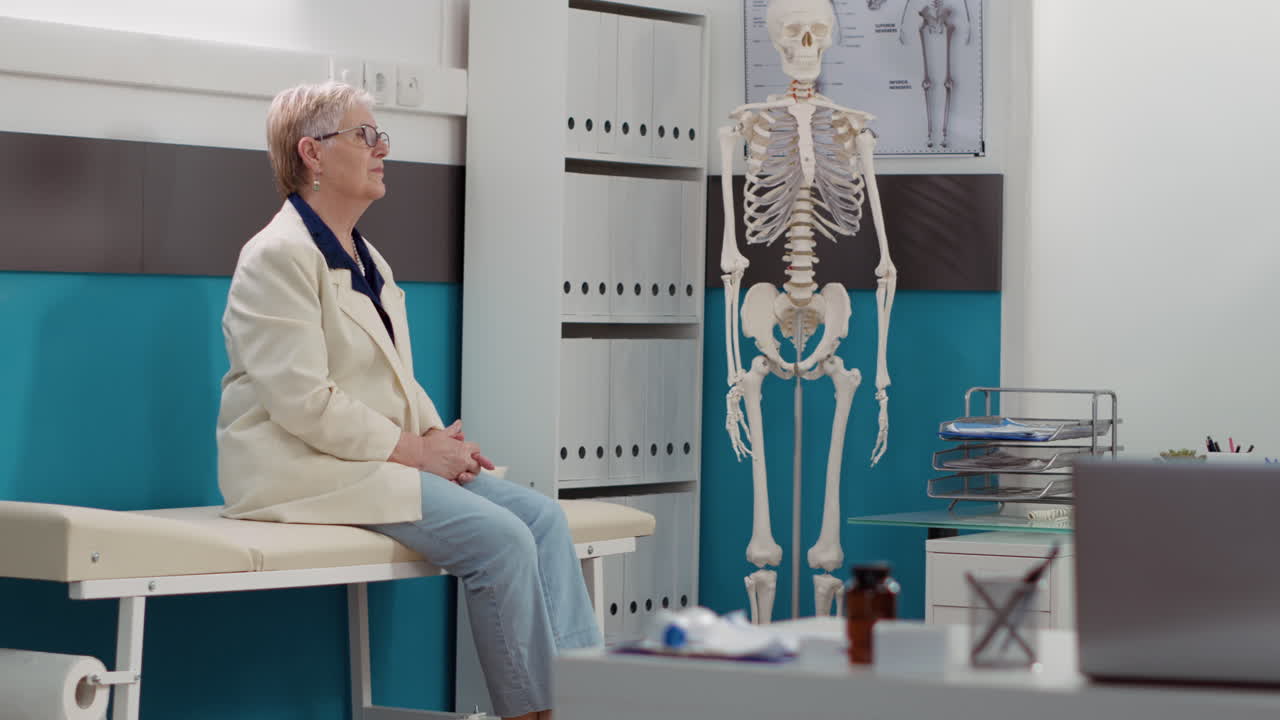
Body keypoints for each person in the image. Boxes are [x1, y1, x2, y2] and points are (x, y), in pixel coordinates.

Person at [216, 81, 599, 720]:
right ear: (312, 153)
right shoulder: (275, 257)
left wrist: (441, 441)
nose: (382, 148)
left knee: (543, 520)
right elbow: (303, 400)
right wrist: (416, 452)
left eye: (380, 135)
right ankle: (536, 712)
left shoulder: (370, 261)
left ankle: (587, 703)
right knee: (502, 539)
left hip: (370, 460)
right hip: (299, 471)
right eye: (365, 135)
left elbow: (394, 376)